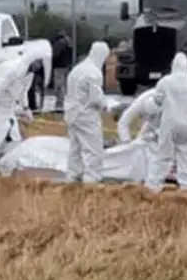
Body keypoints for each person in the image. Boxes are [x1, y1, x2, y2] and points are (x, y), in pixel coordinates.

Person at [0, 46, 48, 168]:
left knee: (14, 138)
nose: (39, 65)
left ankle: (6, 165)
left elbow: (23, 91)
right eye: (38, 61)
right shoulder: (13, 68)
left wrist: (26, 108)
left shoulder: (29, 74)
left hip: (7, 107)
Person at [145, 53, 187, 191]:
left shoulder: (165, 82)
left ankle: (153, 186)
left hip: (169, 125)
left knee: (162, 156)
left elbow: (157, 100)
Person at [63, 41, 110, 183]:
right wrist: (106, 105)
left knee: (75, 147)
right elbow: (95, 98)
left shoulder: (77, 69)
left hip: (71, 113)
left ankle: (72, 175)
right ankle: (92, 177)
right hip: (86, 114)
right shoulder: (94, 73)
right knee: (93, 147)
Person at [116, 88, 161, 183]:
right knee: (140, 148)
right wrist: (127, 143)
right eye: (149, 115)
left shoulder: (171, 102)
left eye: (153, 116)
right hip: (148, 129)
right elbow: (123, 122)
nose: (151, 117)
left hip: (164, 128)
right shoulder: (141, 102)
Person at [50, 29, 73, 110]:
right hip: (65, 66)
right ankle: (61, 102)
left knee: (59, 86)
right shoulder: (69, 43)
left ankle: (59, 104)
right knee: (62, 85)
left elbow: (55, 54)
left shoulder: (60, 43)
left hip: (59, 66)